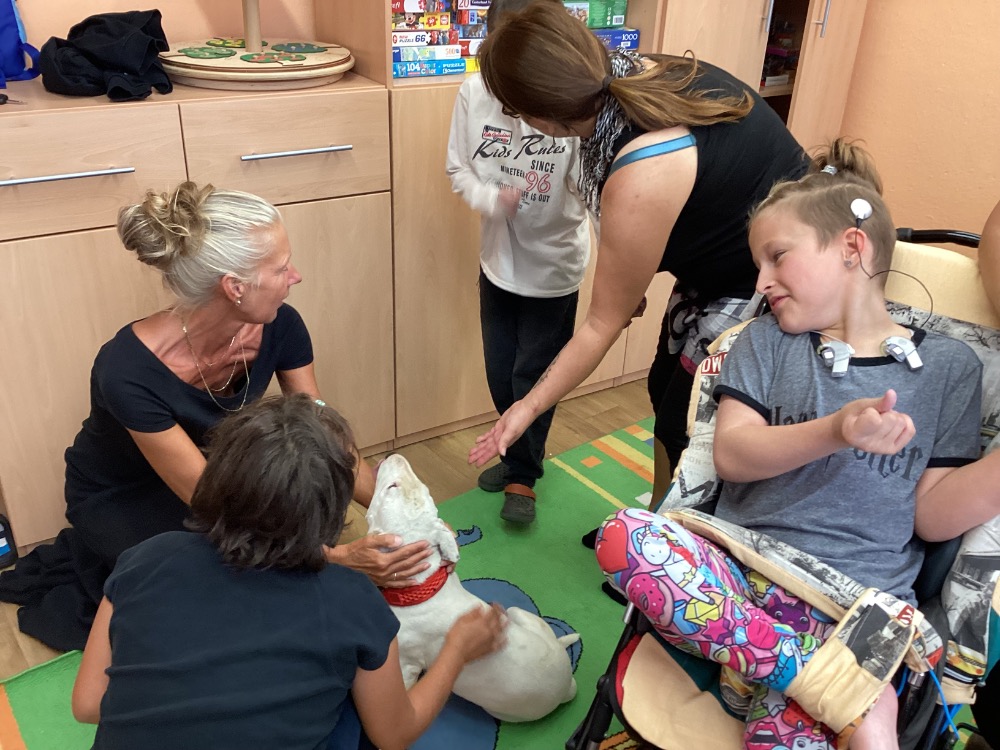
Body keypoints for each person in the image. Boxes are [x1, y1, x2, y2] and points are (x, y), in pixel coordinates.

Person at [595, 143, 1000, 750]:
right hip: (739, 576)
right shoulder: (763, 343)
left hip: (857, 610)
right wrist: (835, 430)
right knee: (625, 536)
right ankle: (802, 674)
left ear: (852, 248)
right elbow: (733, 457)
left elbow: (932, 517)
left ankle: (762, 673)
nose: (761, 283)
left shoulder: (951, 368)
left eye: (777, 257)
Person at [0, 182, 431, 652]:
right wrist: (334, 557)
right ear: (235, 287)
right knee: (217, 597)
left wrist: (409, 517)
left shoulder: (281, 325)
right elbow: (210, 501)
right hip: (128, 495)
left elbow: (324, 435)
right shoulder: (126, 369)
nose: (296, 277)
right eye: (281, 268)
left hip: (220, 474)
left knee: (279, 553)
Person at [466, 2, 809, 537]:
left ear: (540, 117)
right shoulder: (624, 76)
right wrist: (629, 275)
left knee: (689, 418)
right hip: (716, 260)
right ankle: (657, 520)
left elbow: (602, 324)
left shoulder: (643, 165)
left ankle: (680, 545)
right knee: (662, 387)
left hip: (776, 273)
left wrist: (525, 409)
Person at [72, 394, 507, 750]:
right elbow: (394, 735)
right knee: (355, 707)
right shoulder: (352, 598)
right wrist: (457, 650)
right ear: (330, 510)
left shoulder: (145, 558)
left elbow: (89, 704)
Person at [446, 0, 590, 525]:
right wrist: (493, 199)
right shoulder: (474, 93)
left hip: (554, 271)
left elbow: (598, 194)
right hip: (497, 264)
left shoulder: (572, 103)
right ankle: (515, 453)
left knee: (533, 377)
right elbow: (458, 169)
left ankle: (523, 476)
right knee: (501, 373)